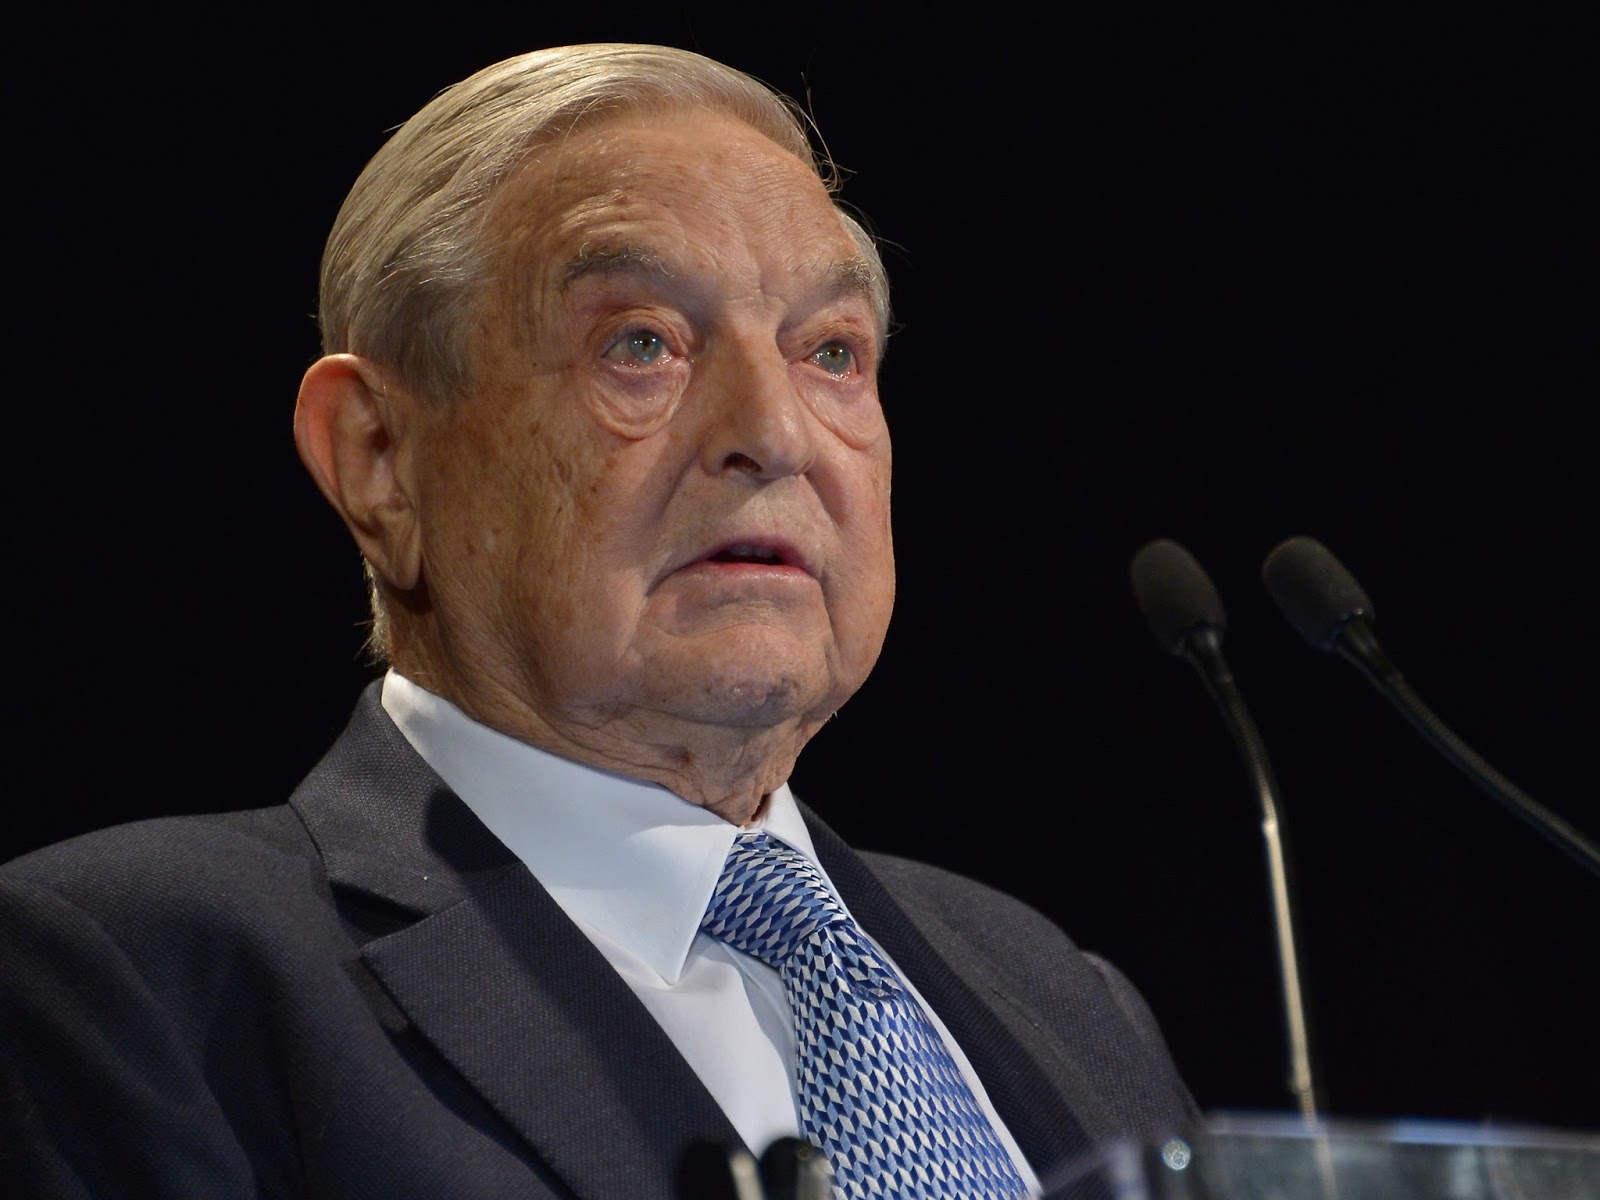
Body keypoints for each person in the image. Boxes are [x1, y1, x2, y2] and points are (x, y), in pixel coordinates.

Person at [0, 43, 1195, 1199]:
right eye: (642, 345)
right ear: (379, 458)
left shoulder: (1064, 996)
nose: (774, 432)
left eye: (830, 352)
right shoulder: (143, 977)